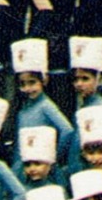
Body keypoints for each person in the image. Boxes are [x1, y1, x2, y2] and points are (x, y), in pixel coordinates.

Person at [11, 38, 72, 172]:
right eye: (23, 84)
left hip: (40, 166)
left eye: (32, 82)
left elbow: (67, 130)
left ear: (44, 80)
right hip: (22, 165)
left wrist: (53, 157)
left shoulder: (45, 106)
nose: (27, 88)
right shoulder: (24, 106)